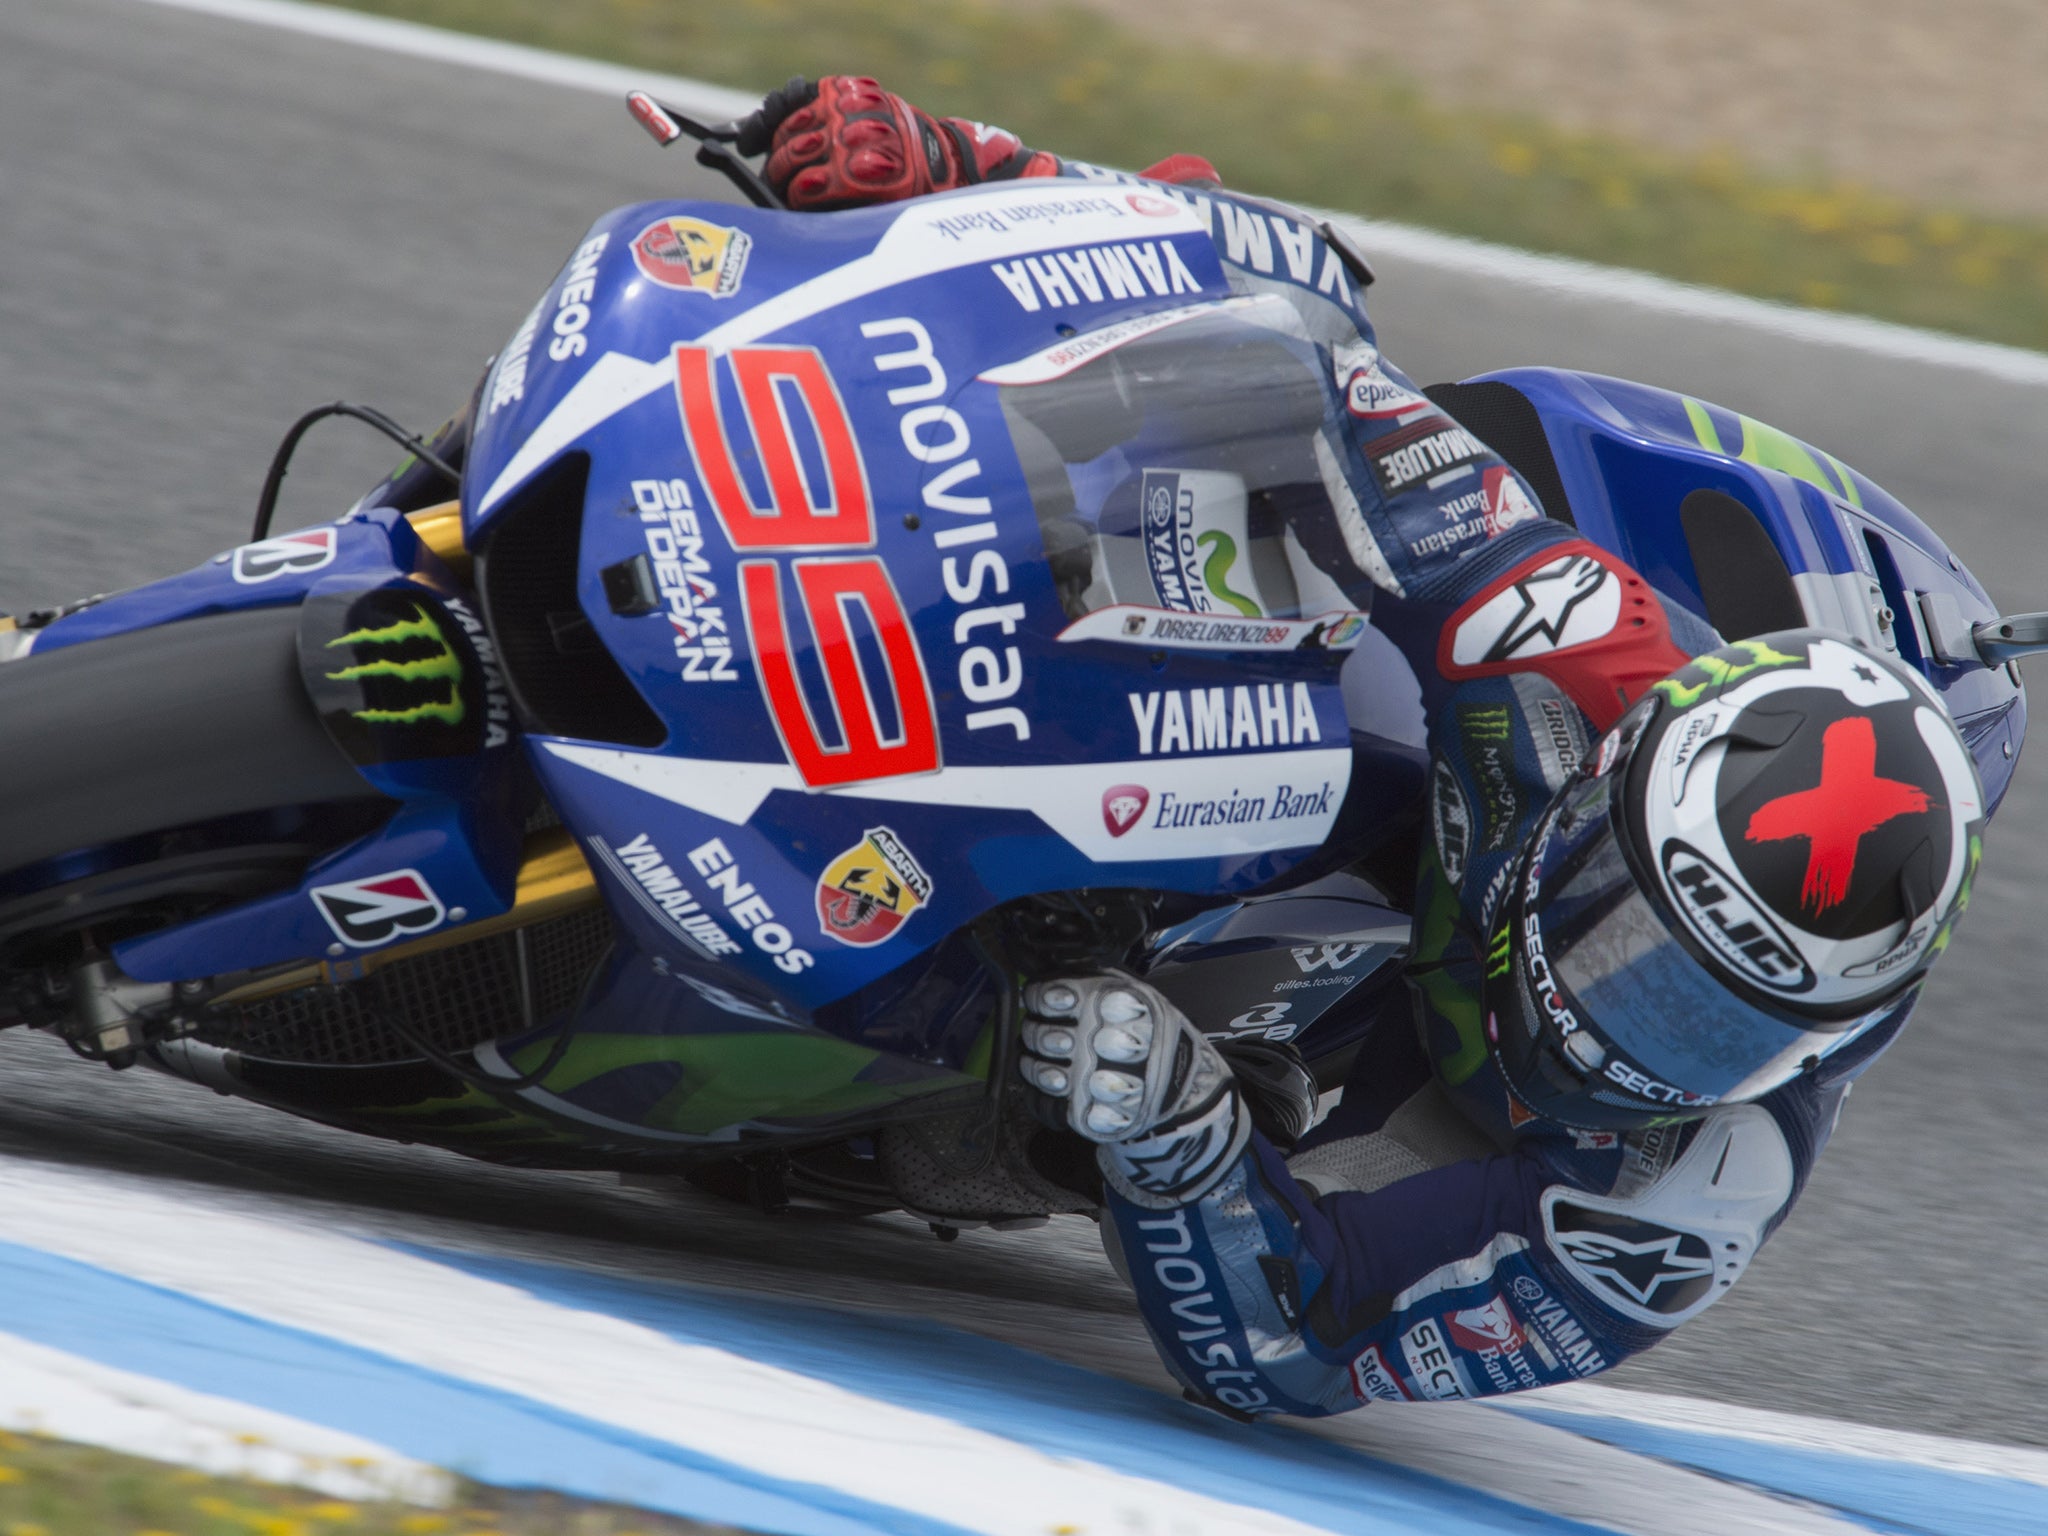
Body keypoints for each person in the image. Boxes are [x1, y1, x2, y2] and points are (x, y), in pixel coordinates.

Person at [738, 78, 1988, 1413]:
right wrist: (968, 171)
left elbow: (1296, 1347)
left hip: (1385, 1111)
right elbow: (1305, 341)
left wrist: (1182, 1146)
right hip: (1412, 788)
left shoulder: (1676, 1207)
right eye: (1633, 942)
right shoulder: (1567, 641)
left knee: (949, 1140)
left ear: (1811, 1054)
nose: (1626, 1027)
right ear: (1602, 794)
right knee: (1183, 484)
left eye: (1705, 1029)